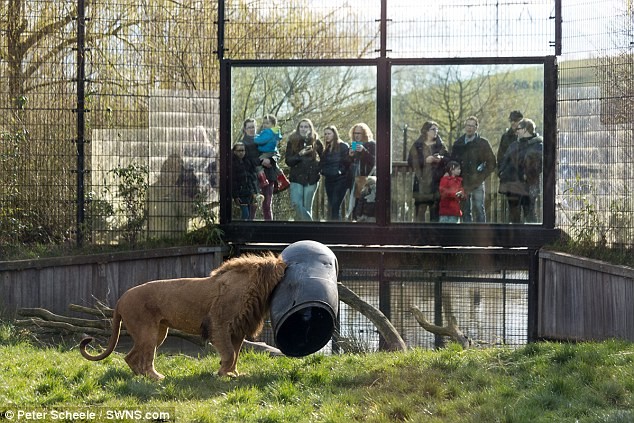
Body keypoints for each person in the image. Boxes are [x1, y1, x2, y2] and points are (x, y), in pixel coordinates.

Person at [451, 116, 496, 223]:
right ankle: (467, 235)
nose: (469, 128)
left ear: (476, 127)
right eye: (467, 125)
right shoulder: (458, 143)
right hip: (463, 181)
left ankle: (480, 234)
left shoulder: (483, 143)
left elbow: (492, 162)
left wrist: (482, 174)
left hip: (478, 181)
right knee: (465, 210)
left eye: (472, 126)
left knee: (479, 209)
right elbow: (452, 161)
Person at [498, 118, 543, 223]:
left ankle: (532, 238)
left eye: (518, 128)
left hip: (528, 185)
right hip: (512, 185)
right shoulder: (514, 145)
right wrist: (501, 173)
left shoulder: (538, 146)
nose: (516, 131)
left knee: (530, 214)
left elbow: (538, 167)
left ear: (526, 129)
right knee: (514, 216)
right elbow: (504, 161)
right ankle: (514, 239)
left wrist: (526, 174)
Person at [407, 121, 449, 222]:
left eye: (437, 129)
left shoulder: (440, 145)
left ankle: (434, 236)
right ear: (426, 131)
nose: (436, 131)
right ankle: (418, 235)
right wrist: (425, 160)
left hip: (436, 182)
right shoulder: (418, 145)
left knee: (435, 213)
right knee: (419, 213)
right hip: (421, 182)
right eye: (433, 129)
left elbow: (449, 159)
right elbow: (410, 161)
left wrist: (441, 158)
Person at [285, 118, 323, 221]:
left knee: (307, 208)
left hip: (311, 178)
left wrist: (317, 169)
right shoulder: (292, 141)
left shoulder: (316, 141)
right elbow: (288, 161)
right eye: (301, 126)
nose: (303, 129)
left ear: (310, 128)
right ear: (298, 128)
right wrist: (299, 154)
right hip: (296, 177)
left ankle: (304, 233)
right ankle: (312, 226)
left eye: (306, 126)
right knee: (296, 204)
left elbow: (324, 159)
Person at [240, 117, 276, 220]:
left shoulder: (263, 139)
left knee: (267, 205)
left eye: (253, 127)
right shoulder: (242, 144)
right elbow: (246, 161)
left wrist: (271, 160)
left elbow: (275, 152)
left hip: (268, 175)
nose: (252, 129)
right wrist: (261, 160)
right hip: (252, 178)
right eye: (249, 127)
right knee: (253, 205)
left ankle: (269, 229)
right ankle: (249, 229)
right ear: (245, 129)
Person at [497, 110, 524, 222]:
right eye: (512, 120)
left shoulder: (526, 135)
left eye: (516, 120)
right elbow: (500, 156)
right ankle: (515, 233)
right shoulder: (506, 137)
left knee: (528, 208)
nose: (513, 123)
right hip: (510, 176)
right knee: (512, 208)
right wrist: (501, 172)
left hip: (523, 176)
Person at [320, 125, 351, 220]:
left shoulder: (343, 146)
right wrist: (323, 171)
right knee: (332, 206)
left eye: (329, 133)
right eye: (325, 134)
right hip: (329, 180)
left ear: (334, 134)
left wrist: (339, 172)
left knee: (335, 204)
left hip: (341, 180)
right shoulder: (326, 148)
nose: (327, 136)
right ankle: (335, 226)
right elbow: (323, 163)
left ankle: (337, 229)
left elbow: (347, 162)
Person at [347, 123, 377, 220]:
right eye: (355, 133)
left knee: (363, 204)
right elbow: (348, 163)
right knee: (354, 203)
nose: (356, 135)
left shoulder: (372, 144)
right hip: (354, 178)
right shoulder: (354, 144)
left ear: (365, 133)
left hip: (366, 178)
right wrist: (350, 156)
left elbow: (375, 161)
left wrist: (364, 151)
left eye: (359, 133)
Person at [254, 114, 289, 192]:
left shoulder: (268, 132)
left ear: (273, 124)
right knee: (275, 166)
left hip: (266, 151)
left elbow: (262, 140)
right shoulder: (275, 132)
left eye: (267, 123)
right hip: (272, 151)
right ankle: (284, 180)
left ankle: (263, 180)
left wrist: (254, 138)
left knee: (258, 164)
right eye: (264, 123)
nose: (265, 125)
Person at [231, 142, 258, 220]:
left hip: (249, 191)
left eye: (243, 150)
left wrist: (255, 192)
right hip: (240, 192)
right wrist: (235, 196)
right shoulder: (233, 163)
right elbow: (233, 181)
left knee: (250, 214)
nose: (241, 153)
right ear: (234, 151)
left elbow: (253, 179)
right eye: (239, 151)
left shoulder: (247, 162)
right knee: (245, 214)